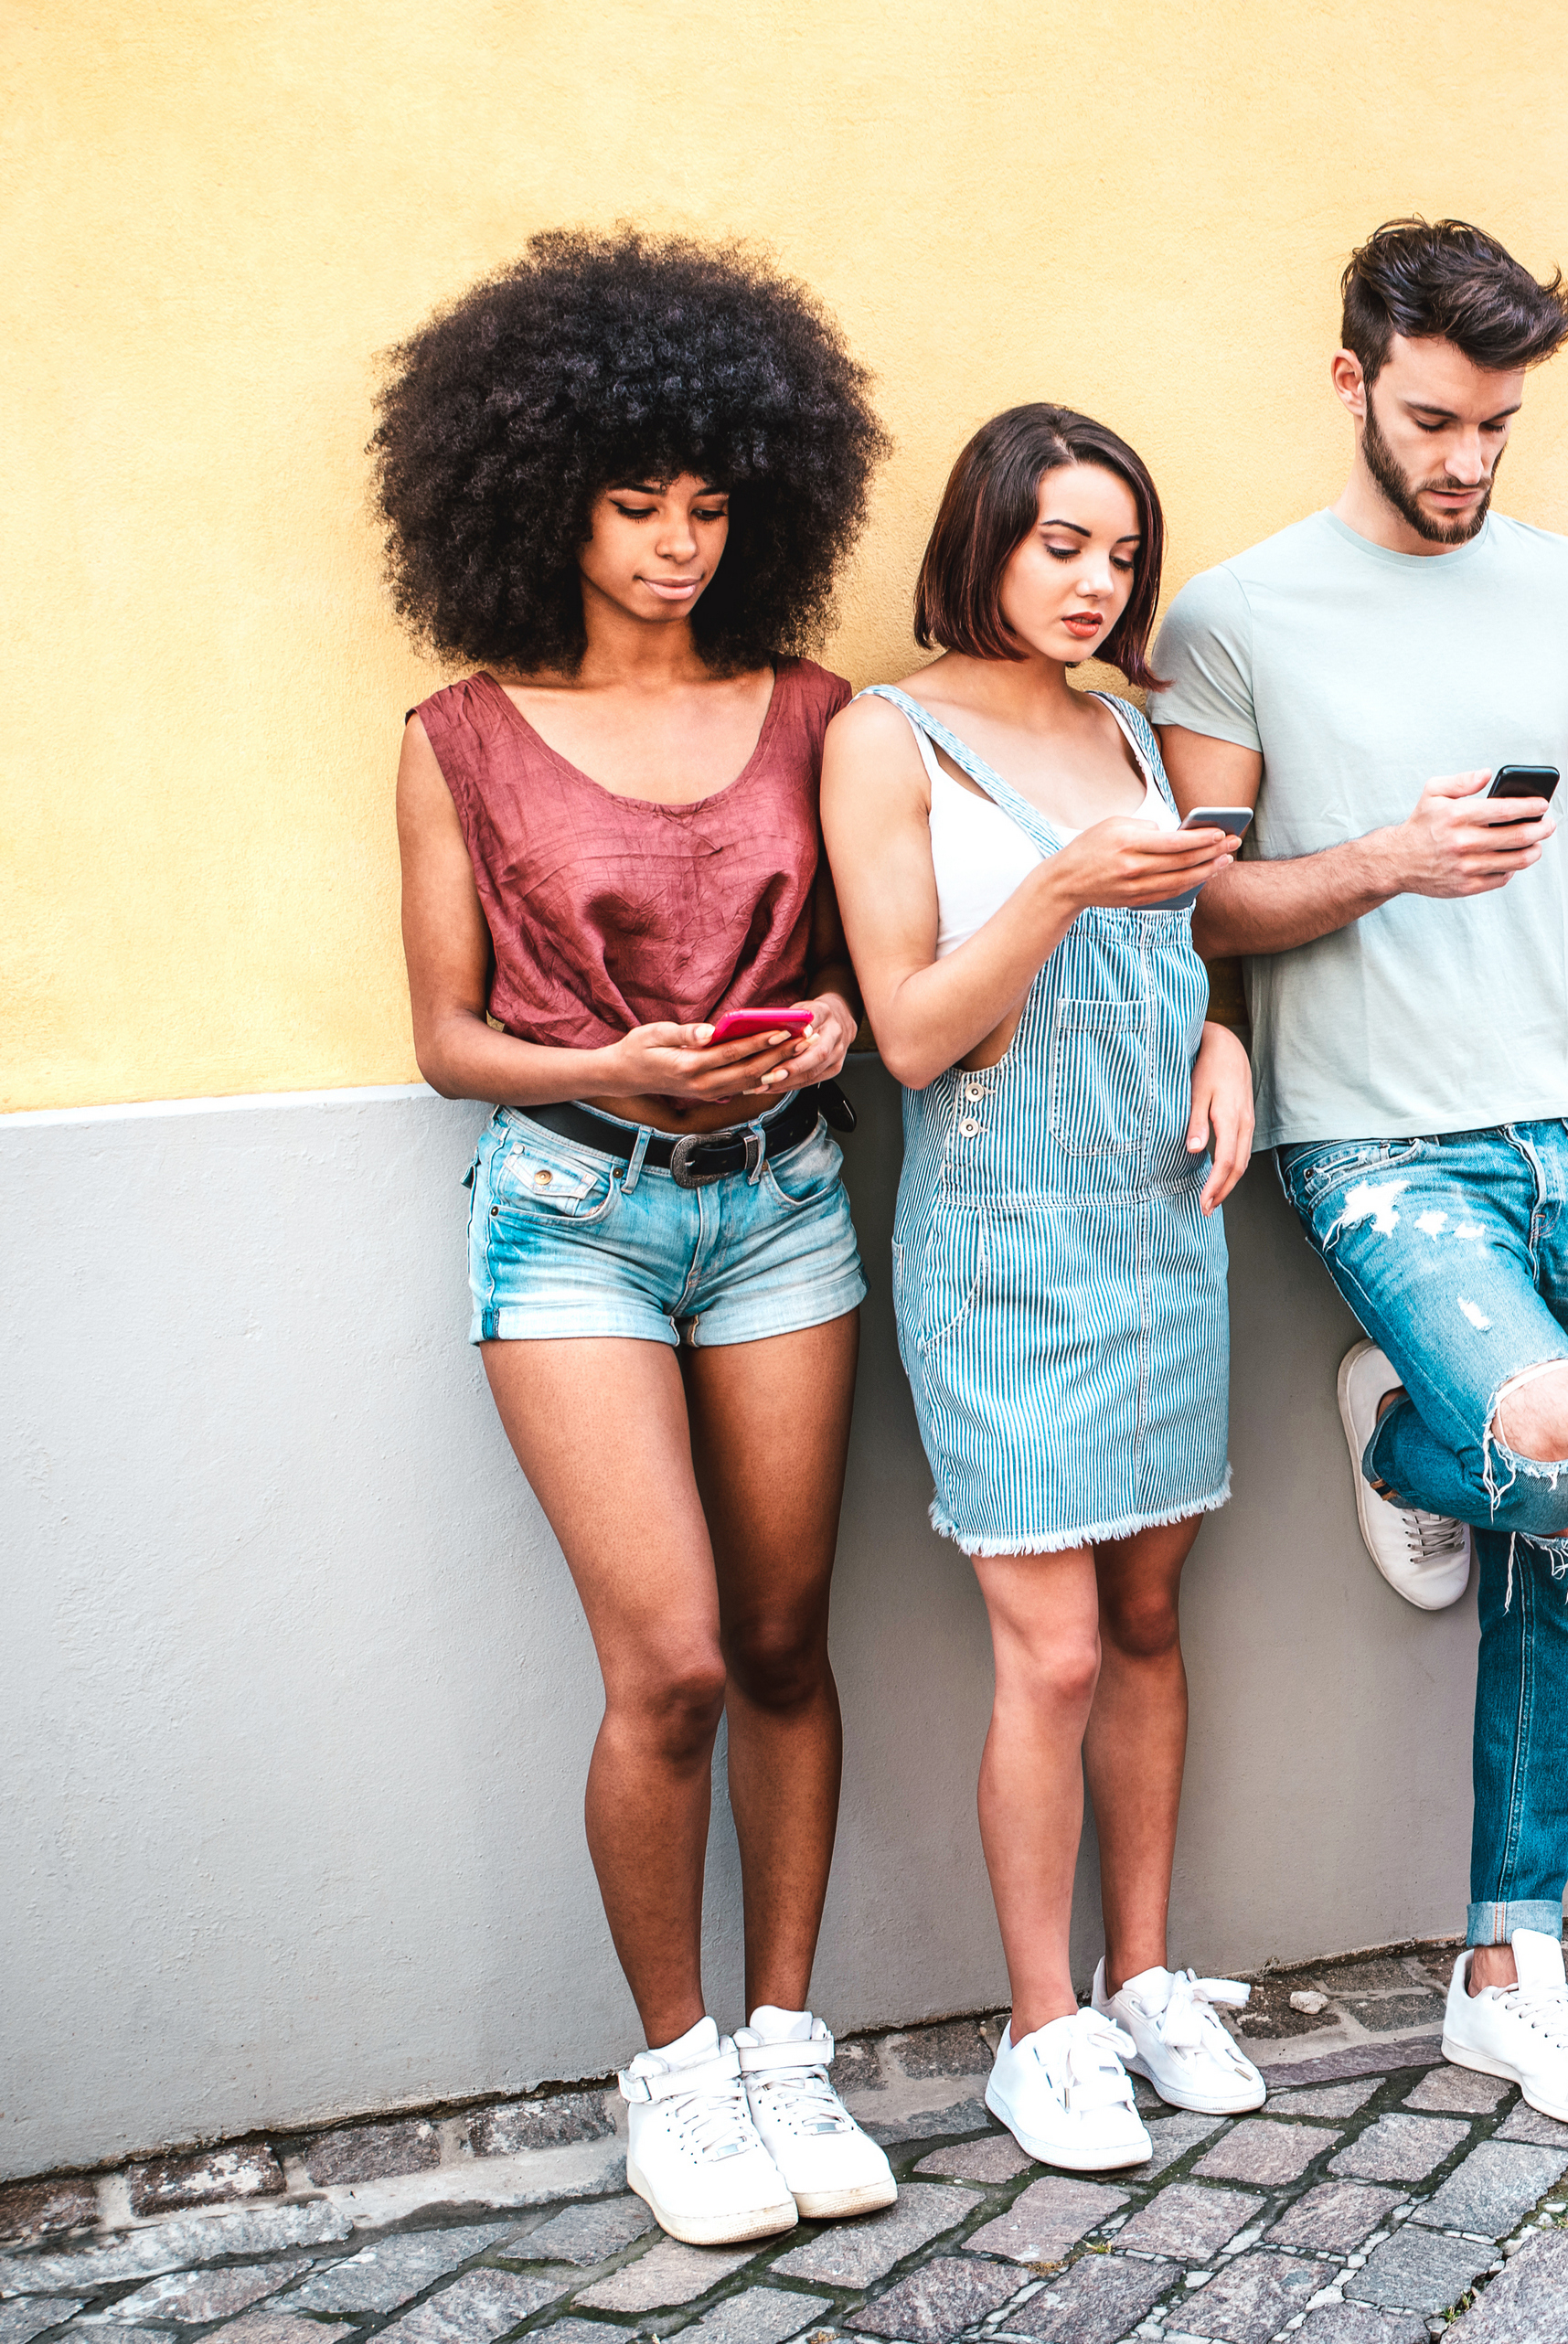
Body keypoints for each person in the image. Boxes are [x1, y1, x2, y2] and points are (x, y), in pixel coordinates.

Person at [376, 229, 897, 2243]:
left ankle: (785, 2042)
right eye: (632, 504)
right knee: (667, 1660)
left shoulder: (813, 707)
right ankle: (672, 2072)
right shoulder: (458, 738)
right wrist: (610, 1075)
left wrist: (833, 1017)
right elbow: (442, 1039)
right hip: (574, 1222)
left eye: (707, 506)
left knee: (781, 1642)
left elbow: (872, 954)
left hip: (782, 1209)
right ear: (539, 498)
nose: (676, 544)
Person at [1150, 218, 1568, 2127]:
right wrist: (1382, 859)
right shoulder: (1232, 615)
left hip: (1562, 1125)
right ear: (1351, 383)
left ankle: (1506, 1964)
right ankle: (1412, 1428)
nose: (1466, 459)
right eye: (1434, 418)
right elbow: (1198, 894)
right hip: (1368, 1141)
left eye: (1497, 425)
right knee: (1554, 1441)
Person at [822, 406, 1260, 2169]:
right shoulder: (884, 736)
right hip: (999, 1241)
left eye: (1122, 556)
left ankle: (1143, 1976)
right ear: (985, 537)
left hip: (1161, 1221)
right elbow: (916, 1033)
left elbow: (1178, 966)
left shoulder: (1135, 732)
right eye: (1060, 544)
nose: (1095, 583)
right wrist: (1067, 882)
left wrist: (1223, 1039)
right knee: (1058, 1652)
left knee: (1153, 1623)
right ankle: (1040, 2026)